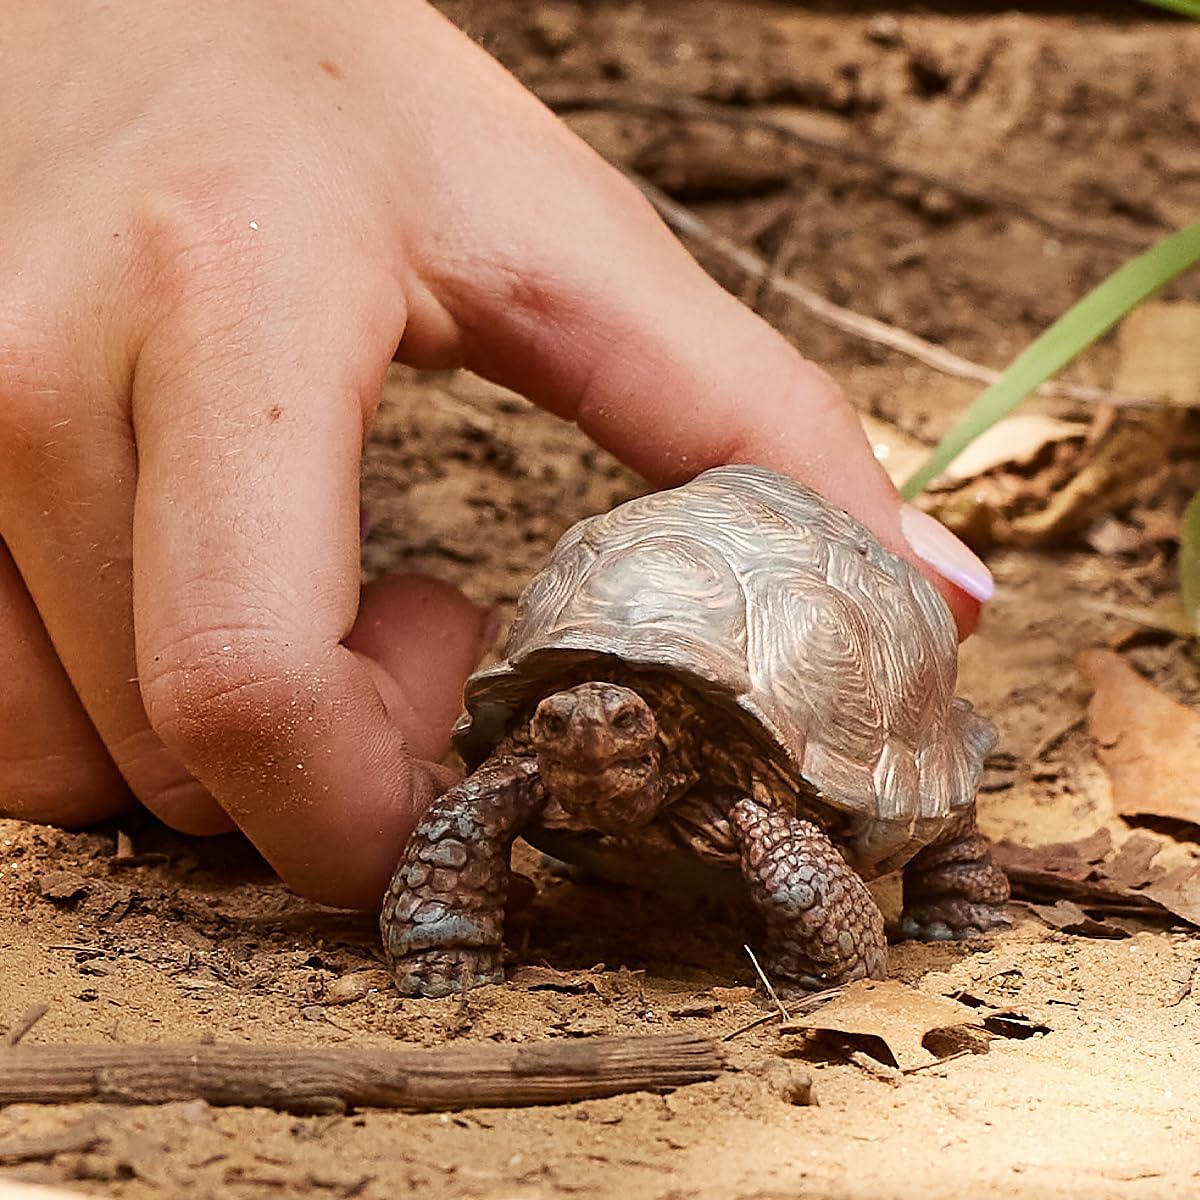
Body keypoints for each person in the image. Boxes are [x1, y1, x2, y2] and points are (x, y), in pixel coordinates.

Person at [0, 1, 992, 909]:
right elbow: (474, 806)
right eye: (557, 725)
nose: (583, 742)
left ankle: (957, 878)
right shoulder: (536, 762)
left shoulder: (755, 803)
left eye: (615, 730)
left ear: (662, 739)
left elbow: (803, 858)